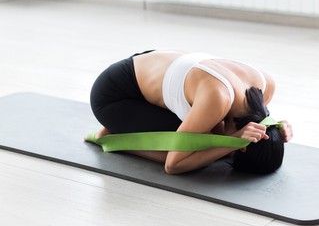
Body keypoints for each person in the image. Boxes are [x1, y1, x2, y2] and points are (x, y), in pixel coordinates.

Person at [87, 50, 293, 175]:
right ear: (241, 148)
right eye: (234, 154)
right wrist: (233, 141)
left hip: (145, 68)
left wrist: (274, 127)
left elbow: (257, 119)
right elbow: (173, 165)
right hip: (113, 97)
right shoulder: (217, 99)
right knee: (195, 151)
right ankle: (113, 137)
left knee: (208, 133)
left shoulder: (266, 85)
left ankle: (130, 125)